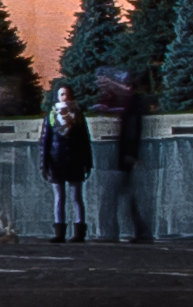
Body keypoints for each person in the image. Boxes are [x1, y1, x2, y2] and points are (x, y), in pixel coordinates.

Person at [92, 69, 151, 244]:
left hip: (124, 157)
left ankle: (110, 233)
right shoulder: (131, 104)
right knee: (128, 196)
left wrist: (130, 154)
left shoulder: (133, 104)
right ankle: (141, 232)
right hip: (126, 156)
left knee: (112, 196)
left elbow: (132, 130)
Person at [36, 84, 92, 244]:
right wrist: (43, 163)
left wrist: (88, 162)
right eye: (61, 95)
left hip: (75, 160)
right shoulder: (51, 115)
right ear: (57, 97)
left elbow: (84, 140)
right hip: (56, 160)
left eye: (67, 94)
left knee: (76, 197)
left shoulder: (78, 116)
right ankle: (59, 232)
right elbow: (45, 141)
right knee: (59, 198)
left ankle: (79, 231)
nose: (64, 98)